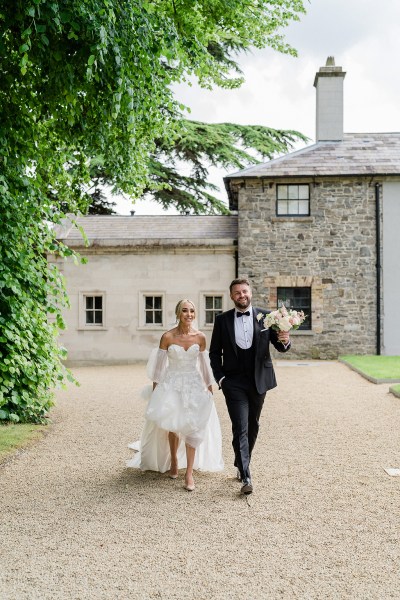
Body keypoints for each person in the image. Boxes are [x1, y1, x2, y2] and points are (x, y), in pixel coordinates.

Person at [127, 299, 224, 491]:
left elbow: (205, 365)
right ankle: (173, 461)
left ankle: (188, 473)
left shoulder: (200, 337)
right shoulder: (168, 337)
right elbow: (158, 367)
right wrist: (156, 391)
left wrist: (209, 387)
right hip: (172, 383)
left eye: (192, 311)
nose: (189, 314)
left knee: (193, 427)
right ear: (178, 313)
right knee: (173, 425)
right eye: (185, 311)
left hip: (194, 384)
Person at [209, 278, 291, 495]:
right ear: (231, 296)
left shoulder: (268, 317)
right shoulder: (222, 320)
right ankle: (246, 474)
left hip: (259, 380)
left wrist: (285, 339)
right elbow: (214, 353)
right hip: (233, 382)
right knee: (240, 426)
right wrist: (221, 379)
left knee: (253, 424)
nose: (241, 295)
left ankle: (241, 461)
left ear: (250, 293)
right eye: (237, 293)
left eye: (244, 291)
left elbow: (280, 346)